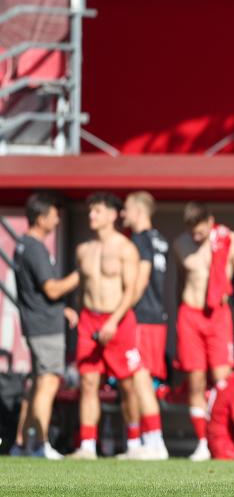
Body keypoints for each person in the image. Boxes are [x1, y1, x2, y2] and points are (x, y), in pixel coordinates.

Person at [173, 202, 234, 461]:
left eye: (200, 232)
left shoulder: (230, 240)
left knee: (222, 380)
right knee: (195, 381)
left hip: (218, 314)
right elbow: (180, 280)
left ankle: (223, 437)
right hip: (190, 314)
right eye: (192, 233)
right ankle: (201, 442)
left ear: (211, 221)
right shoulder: (180, 244)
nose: (196, 237)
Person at [70, 192, 141, 459]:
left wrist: (113, 321)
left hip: (118, 319)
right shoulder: (83, 249)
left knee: (127, 384)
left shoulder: (125, 248)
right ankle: (87, 445)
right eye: (90, 211)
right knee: (88, 382)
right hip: (90, 319)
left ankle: (134, 443)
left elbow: (131, 291)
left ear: (112, 215)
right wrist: (76, 312)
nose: (91, 216)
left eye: (97, 211)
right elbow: (81, 289)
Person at [12, 192, 79, 458]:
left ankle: (20, 445)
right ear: (40, 218)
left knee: (38, 384)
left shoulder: (23, 245)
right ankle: (39, 444)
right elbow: (51, 290)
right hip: (45, 327)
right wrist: (80, 275)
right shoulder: (35, 247)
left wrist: (63, 310)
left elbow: (38, 293)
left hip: (38, 322)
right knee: (49, 383)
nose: (58, 220)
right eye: (54, 215)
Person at [119, 191, 168, 459]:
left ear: (139, 211)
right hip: (155, 317)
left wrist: (120, 312)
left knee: (140, 379)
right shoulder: (158, 238)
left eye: (126, 208)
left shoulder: (139, 240)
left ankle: (154, 441)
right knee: (139, 380)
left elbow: (141, 278)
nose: (123, 214)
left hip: (142, 318)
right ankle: (140, 442)